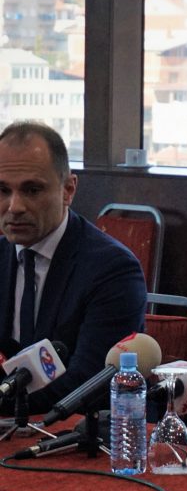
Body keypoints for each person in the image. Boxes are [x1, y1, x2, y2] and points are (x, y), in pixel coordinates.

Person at [0, 121, 147, 413]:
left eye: (32, 190)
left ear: (68, 189)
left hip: (72, 429)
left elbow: (88, 383)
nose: (14, 207)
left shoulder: (113, 269)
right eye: (3, 190)